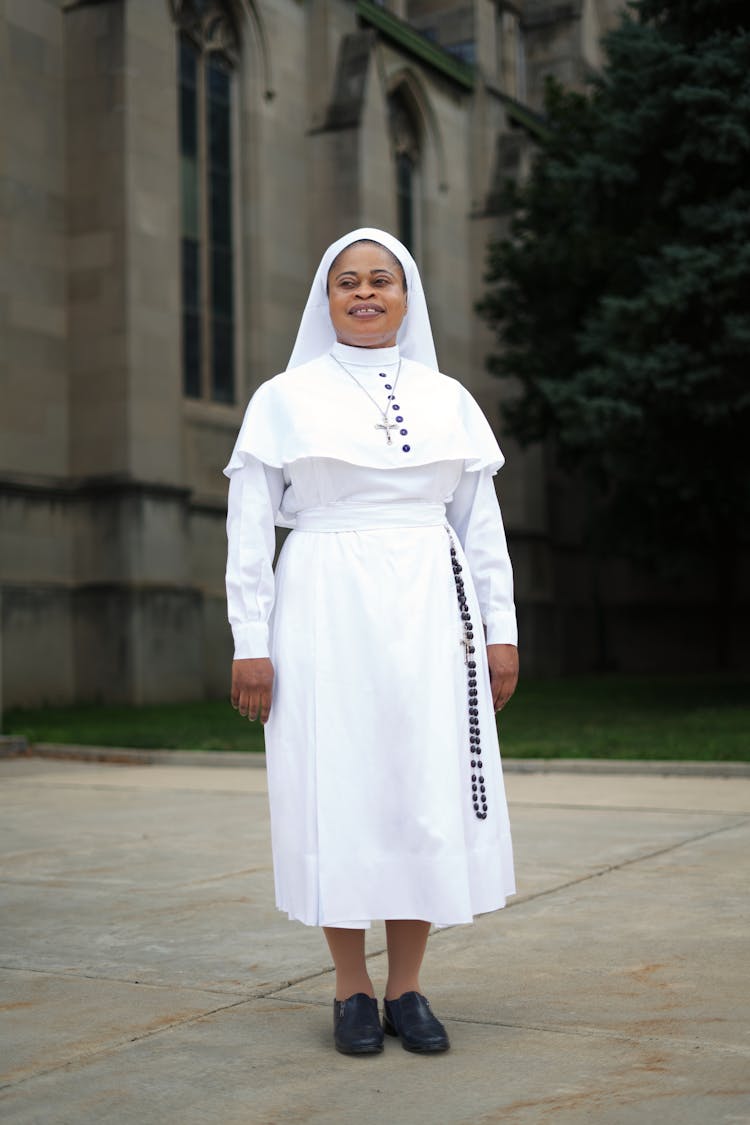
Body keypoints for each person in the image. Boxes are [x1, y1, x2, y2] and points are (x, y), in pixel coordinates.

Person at [224, 228, 519, 1056]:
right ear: (325, 298)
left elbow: (481, 528)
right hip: (323, 600)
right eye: (347, 281)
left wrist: (503, 632)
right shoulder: (282, 397)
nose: (364, 293)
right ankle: (352, 989)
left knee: (419, 786)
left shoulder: (450, 398)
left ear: (405, 295)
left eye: (380, 280)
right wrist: (251, 638)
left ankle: (409, 986)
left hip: (433, 602)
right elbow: (249, 532)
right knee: (338, 786)